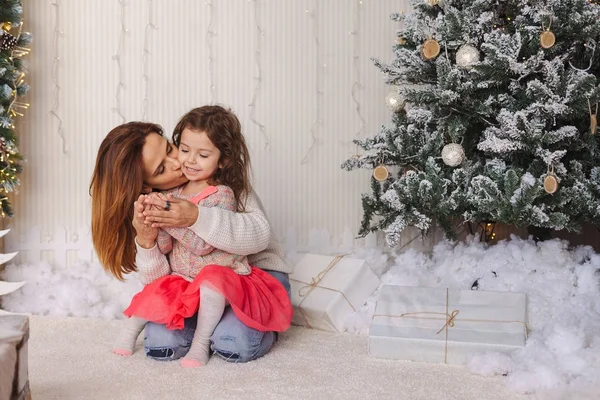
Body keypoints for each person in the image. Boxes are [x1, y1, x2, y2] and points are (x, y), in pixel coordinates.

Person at [90, 111, 293, 364]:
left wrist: (195, 217)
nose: (179, 163)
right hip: (194, 285)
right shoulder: (162, 199)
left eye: (170, 148)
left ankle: (262, 327)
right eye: (162, 168)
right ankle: (206, 327)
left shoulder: (224, 185)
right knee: (161, 342)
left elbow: (259, 236)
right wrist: (148, 241)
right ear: (145, 185)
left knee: (233, 341)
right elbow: (161, 283)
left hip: (254, 276)